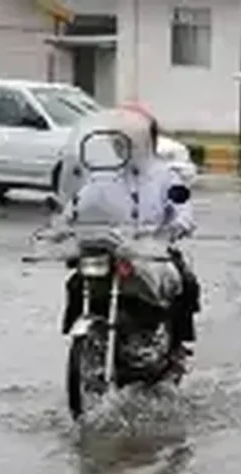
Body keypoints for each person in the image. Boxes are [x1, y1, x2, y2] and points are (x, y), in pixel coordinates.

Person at [58, 105, 201, 366]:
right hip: (109, 248)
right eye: (119, 138)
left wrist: (176, 227)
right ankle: (85, 336)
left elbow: (182, 209)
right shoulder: (102, 177)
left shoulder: (166, 177)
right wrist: (64, 224)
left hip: (151, 250)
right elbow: (79, 205)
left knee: (186, 283)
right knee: (77, 282)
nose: (125, 145)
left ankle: (176, 347)